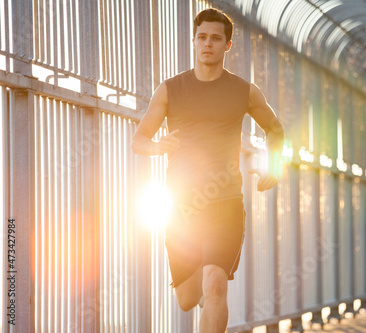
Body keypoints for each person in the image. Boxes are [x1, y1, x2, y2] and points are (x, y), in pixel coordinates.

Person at [131, 7, 284, 333]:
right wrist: (159, 146)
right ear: (194, 41)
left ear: (228, 45)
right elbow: (139, 141)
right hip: (182, 207)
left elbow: (275, 128)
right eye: (202, 37)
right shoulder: (171, 89)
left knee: (215, 284)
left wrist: (275, 164)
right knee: (188, 298)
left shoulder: (244, 91)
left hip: (225, 204)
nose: (208, 44)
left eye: (216, 38)